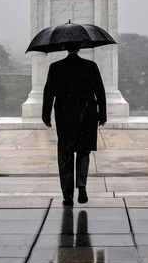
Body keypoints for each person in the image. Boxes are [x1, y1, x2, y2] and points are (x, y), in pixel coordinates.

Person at [42, 42, 107, 206]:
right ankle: (82, 185)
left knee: (66, 153)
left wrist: (46, 115)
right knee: (83, 151)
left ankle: (67, 195)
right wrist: (103, 114)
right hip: (87, 113)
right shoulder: (90, 66)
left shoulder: (56, 67)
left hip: (65, 115)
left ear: (66, 48)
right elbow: (100, 91)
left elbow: (49, 91)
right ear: (79, 49)